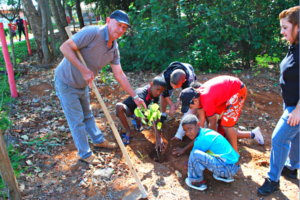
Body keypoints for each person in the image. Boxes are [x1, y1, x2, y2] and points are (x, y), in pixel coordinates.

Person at [54, 10, 147, 165]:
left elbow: (120, 75)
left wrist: (135, 97)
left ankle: (98, 141)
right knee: (77, 121)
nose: (121, 30)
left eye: (124, 28)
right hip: (66, 82)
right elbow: (64, 48)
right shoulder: (92, 32)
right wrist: (84, 70)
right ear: (108, 20)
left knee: (88, 116)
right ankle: (85, 154)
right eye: (118, 25)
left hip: (83, 83)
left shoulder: (113, 49)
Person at [257, 6, 299, 196]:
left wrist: (298, 109)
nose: (281, 32)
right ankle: (292, 167)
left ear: (298, 26)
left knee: (279, 138)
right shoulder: (294, 45)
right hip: (290, 101)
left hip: (296, 106)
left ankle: (273, 180)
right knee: (296, 135)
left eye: (285, 27)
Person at [175, 75, 264, 155]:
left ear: (195, 100)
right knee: (221, 129)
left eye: (190, 106)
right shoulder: (199, 96)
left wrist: (210, 147)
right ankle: (252, 134)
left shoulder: (207, 100)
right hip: (225, 95)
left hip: (237, 90)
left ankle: (234, 154)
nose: (191, 109)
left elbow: (212, 125)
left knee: (226, 125)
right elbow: (204, 125)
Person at [183, 114, 240, 191]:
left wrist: (188, 163)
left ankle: (196, 181)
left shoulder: (201, 139)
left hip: (228, 169)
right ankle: (223, 176)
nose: (188, 132)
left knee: (194, 154)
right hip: (233, 166)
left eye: (190, 128)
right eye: (185, 130)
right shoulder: (205, 132)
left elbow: (194, 158)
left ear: (198, 124)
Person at [116, 76, 166, 150]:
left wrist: (158, 123)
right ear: (151, 85)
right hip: (129, 109)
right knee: (119, 106)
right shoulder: (142, 95)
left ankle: (138, 124)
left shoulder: (154, 92)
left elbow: (156, 108)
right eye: (158, 90)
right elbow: (150, 117)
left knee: (143, 116)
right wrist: (158, 138)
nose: (159, 93)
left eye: (161, 91)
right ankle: (129, 131)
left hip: (138, 110)